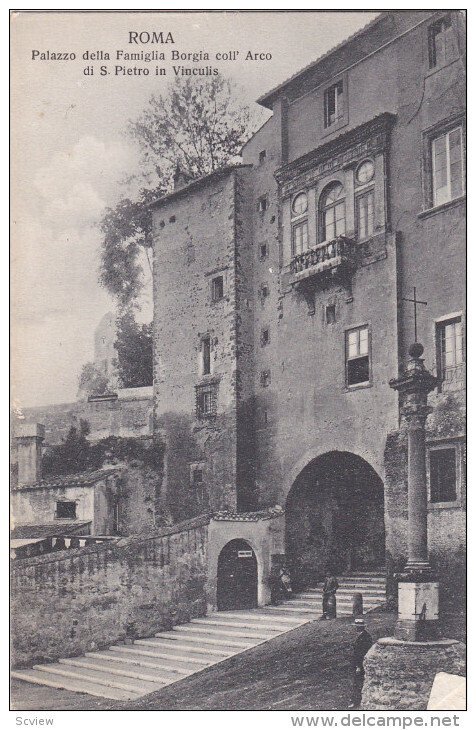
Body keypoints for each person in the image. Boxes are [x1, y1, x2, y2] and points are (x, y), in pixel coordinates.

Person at [348, 618, 373, 709]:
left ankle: (356, 701)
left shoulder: (365, 637)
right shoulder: (361, 636)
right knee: (356, 682)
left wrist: (358, 666)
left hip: (360, 664)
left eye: (358, 627)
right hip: (357, 663)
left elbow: (361, 653)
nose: (357, 628)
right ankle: (356, 700)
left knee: (357, 682)